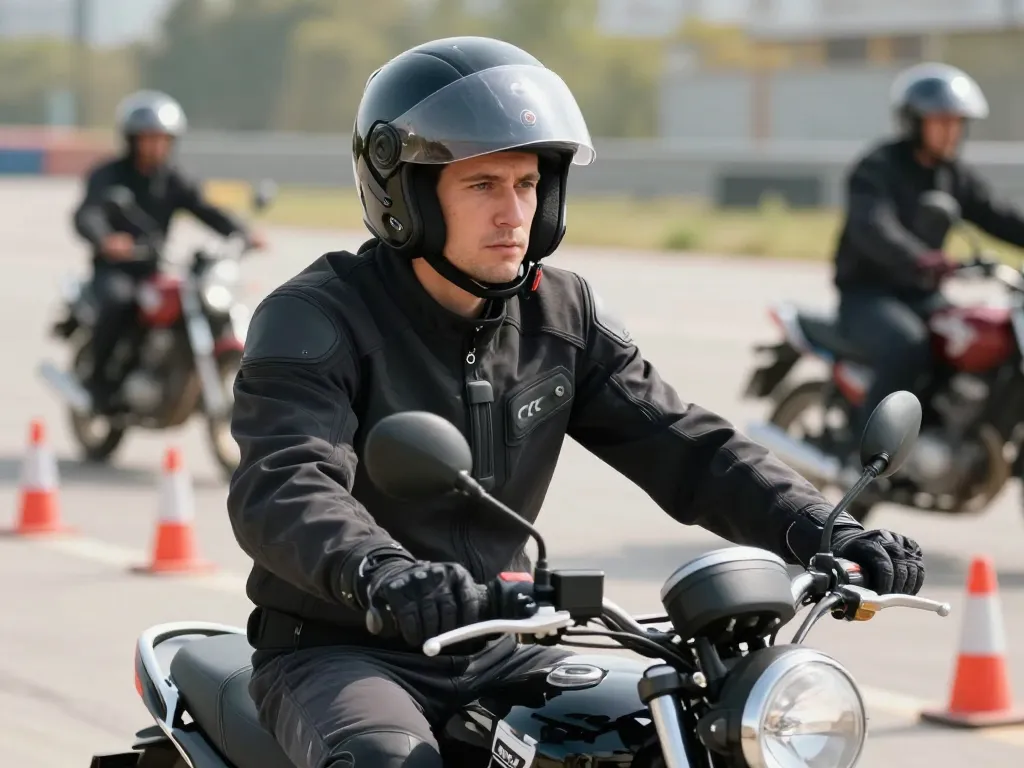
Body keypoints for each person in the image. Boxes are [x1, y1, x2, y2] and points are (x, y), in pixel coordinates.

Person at [227, 37, 926, 768]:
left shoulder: (562, 313)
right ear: (405, 195)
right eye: (482, 186)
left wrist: (819, 527)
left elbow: (687, 445)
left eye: (527, 184)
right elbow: (284, 481)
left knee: (666, 733)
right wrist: (380, 571)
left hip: (500, 645)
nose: (513, 213)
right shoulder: (318, 318)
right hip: (346, 650)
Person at [833, 62, 1024, 434]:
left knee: (969, 341)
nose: (952, 132)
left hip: (922, 295)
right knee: (907, 346)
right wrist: (919, 257)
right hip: (868, 296)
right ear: (914, 121)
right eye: (941, 122)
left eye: (957, 122)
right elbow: (873, 225)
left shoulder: (952, 174)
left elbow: (997, 215)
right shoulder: (877, 167)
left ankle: (942, 435)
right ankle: (869, 453)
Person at [71, 89, 265, 414]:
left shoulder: (173, 179)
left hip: (155, 268)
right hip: (116, 270)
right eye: (148, 138)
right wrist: (106, 239)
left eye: (163, 139)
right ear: (132, 140)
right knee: (120, 303)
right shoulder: (109, 175)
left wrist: (242, 232)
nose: (156, 145)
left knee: (200, 302)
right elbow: (87, 214)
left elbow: (205, 209)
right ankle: (98, 383)